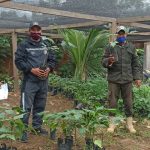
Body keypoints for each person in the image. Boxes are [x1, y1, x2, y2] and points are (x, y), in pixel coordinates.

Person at [15, 22, 56, 142]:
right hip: (30, 81)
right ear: (29, 31)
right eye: (33, 30)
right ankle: (23, 131)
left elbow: (52, 59)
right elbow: (18, 61)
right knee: (25, 107)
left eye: (38, 30)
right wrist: (31, 69)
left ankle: (37, 127)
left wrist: (49, 68)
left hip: (43, 81)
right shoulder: (23, 45)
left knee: (40, 105)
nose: (36, 32)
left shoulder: (46, 44)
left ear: (41, 31)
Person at [102, 26, 142, 133]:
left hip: (127, 80)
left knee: (128, 102)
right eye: (119, 34)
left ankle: (129, 125)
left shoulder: (131, 47)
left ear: (126, 35)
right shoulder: (111, 46)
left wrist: (137, 78)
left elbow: (135, 64)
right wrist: (109, 60)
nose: (121, 36)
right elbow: (103, 61)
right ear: (116, 35)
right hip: (114, 80)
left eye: (123, 34)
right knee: (112, 102)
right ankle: (112, 124)